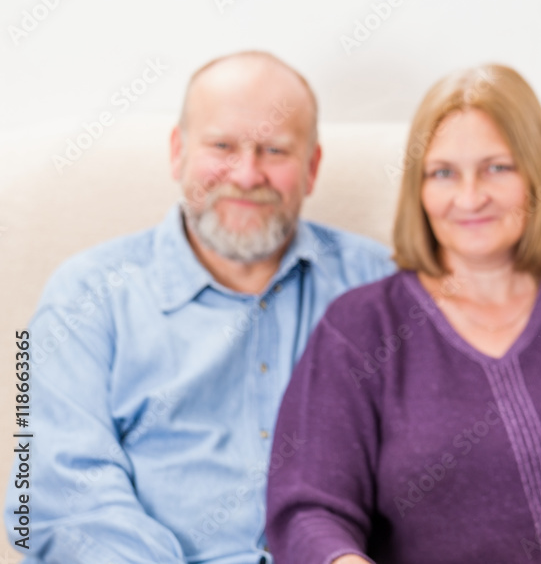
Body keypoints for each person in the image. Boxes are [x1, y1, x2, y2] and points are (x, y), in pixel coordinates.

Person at [4, 51, 395, 563]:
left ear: (312, 168)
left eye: (275, 150)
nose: (247, 174)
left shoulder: (379, 285)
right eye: (222, 146)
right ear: (178, 152)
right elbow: (56, 498)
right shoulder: (85, 295)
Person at [265, 64, 541, 564]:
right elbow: (308, 509)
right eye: (442, 173)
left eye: (497, 168)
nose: (470, 197)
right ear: (418, 189)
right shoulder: (359, 328)